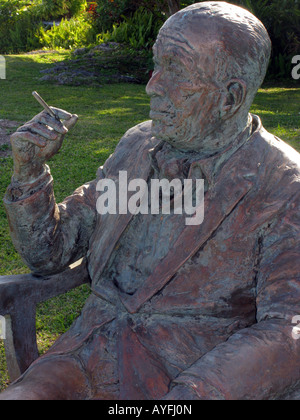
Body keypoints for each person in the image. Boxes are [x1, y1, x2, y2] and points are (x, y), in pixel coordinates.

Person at [1, 1, 300, 400]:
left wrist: (199, 391)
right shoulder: (139, 144)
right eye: (157, 64)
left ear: (230, 98)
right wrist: (29, 171)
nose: (152, 85)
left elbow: (287, 325)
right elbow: (50, 254)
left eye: (175, 69)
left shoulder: (282, 182)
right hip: (85, 354)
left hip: (193, 369)